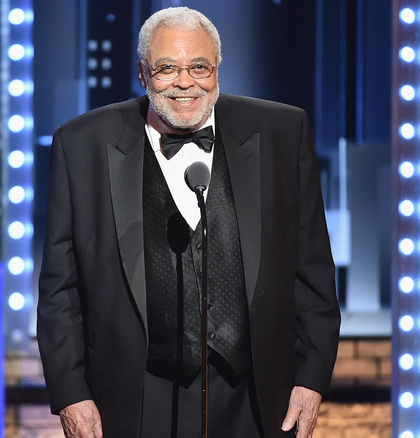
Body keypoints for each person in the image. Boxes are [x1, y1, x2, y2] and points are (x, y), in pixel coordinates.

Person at [37, 6, 340, 438]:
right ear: (143, 74)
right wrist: (70, 392)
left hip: (254, 397)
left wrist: (312, 378)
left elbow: (313, 271)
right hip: (135, 400)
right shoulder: (81, 144)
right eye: (167, 69)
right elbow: (59, 290)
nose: (185, 82)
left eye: (200, 66)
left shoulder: (283, 132)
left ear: (218, 69)